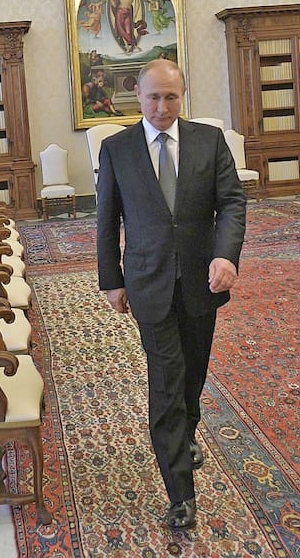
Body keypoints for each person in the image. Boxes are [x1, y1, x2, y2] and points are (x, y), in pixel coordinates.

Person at [96, 59, 246, 530]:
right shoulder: (116, 149)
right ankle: (180, 491)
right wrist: (111, 280)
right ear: (137, 97)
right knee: (166, 380)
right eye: (153, 97)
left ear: (183, 96)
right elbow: (106, 221)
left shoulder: (208, 140)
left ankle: (186, 433)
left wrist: (227, 255)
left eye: (171, 97)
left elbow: (232, 203)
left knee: (192, 375)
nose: (162, 107)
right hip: (148, 281)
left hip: (203, 280)